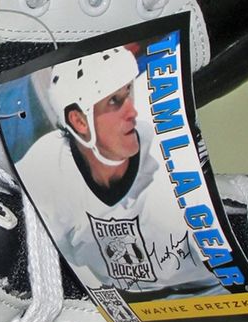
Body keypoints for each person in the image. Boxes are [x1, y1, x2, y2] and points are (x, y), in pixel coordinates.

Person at [17, 46, 225, 299]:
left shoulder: (165, 151)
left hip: (206, 294)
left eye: (128, 93)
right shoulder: (46, 167)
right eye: (114, 101)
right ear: (79, 121)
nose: (132, 112)